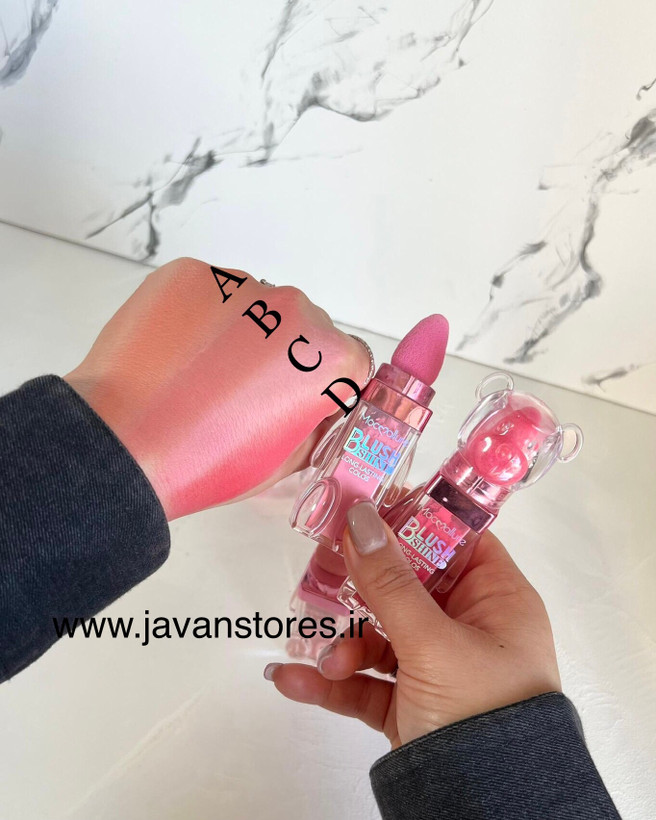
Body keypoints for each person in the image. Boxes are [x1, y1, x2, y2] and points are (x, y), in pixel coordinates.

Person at [0, 258, 621, 818]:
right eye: (500, 436)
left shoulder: (463, 497)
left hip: (360, 599)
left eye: (518, 450)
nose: (503, 451)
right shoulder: (384, 423)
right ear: (478, 426)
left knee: (344, 592)